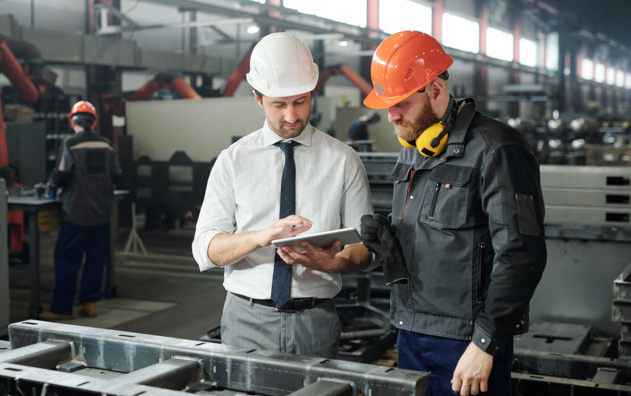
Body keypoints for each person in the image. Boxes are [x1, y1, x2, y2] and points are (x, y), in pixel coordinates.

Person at [360, 31, 546, 396]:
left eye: (400, 103)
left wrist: (485, 343)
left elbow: (522, 253)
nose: (391, 116)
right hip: (410, 332)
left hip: (466, 342)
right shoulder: (413, 150)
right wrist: (389, 242)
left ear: (435, 91)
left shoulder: (497, 149)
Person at [192, 32, 374, 358]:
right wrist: (262, 236)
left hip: (316, 320)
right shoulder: (233, 160)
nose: (291, 116)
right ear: (258, 98)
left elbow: (366, 249)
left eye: (301, 102)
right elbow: (206, 249)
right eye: (279, 105)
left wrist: (333, 262)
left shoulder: (343, 160)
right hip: (246, 319)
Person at [40, 101, 122, 321]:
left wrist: (50, 185)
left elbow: (62, 174)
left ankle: (62, 307)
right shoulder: (107, 145)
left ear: (71, 120)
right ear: (93, 121)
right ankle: (90, 304)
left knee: (67, 259)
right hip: (102, 212)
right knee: (96, 259)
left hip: (75, 213)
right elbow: (117, 174)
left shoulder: (70, 143)